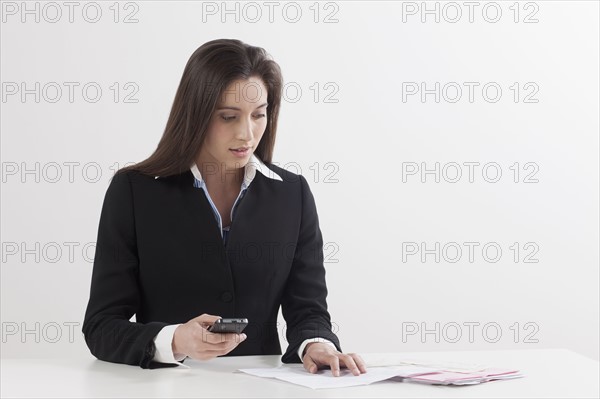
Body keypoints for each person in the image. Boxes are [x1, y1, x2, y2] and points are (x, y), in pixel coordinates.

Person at [82, 38, 367, 376]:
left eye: (258, 115)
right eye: (229, 117)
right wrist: (175, 340)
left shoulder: (293, 194)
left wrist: (318, 344)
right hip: (169, 387)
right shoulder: (134, 191)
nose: (247, 133)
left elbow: (309, 311)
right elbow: (101, 327)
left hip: (262, 389)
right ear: (197, 115)